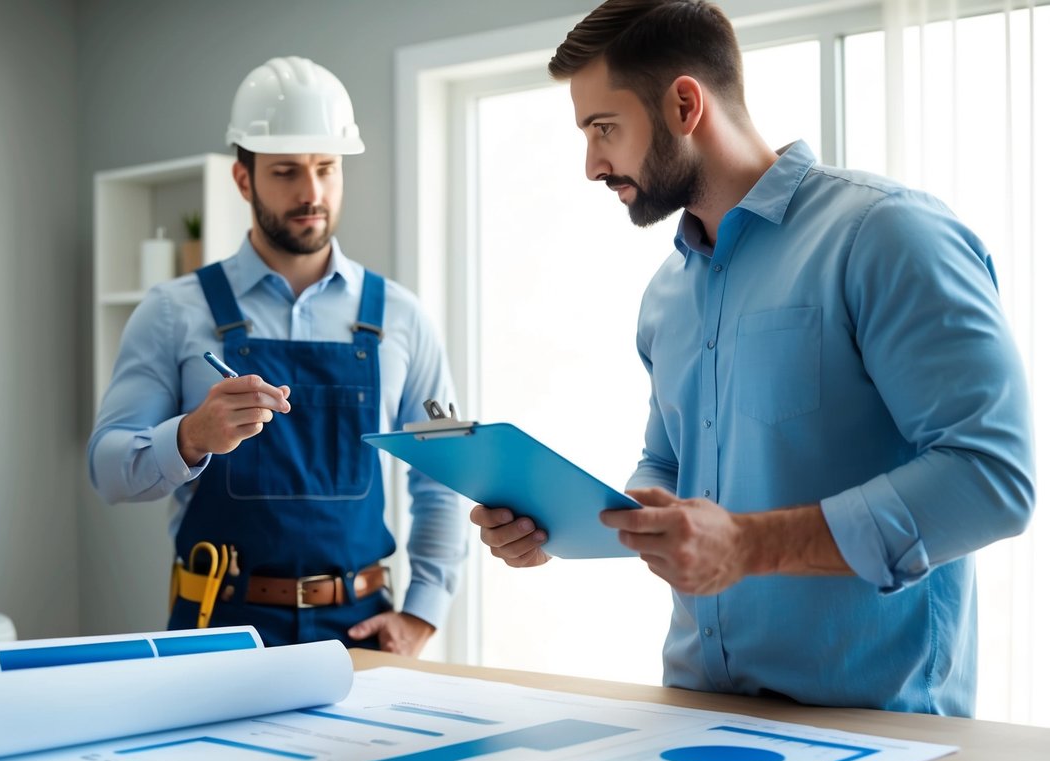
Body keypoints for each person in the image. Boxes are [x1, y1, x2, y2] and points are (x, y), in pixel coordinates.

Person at [470, 0, 1035, 715]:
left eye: (602, 128)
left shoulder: (886, 235)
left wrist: (747, 546)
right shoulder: (666, 295)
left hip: (877, 737)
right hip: (696, 716)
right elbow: (667, 468)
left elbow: (991, 478)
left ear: (683, 104)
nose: (590, 165)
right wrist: (576, 520)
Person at [89, 56, 464, 655]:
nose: (311, 192)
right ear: (244, 180)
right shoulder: (172, 311)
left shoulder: (401, 316)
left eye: (326, 169)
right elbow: (107, 469)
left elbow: (443, 478)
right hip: (217, 626)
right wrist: (189, 437)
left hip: (361, 629)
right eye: (287, 171)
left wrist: (423, 612)